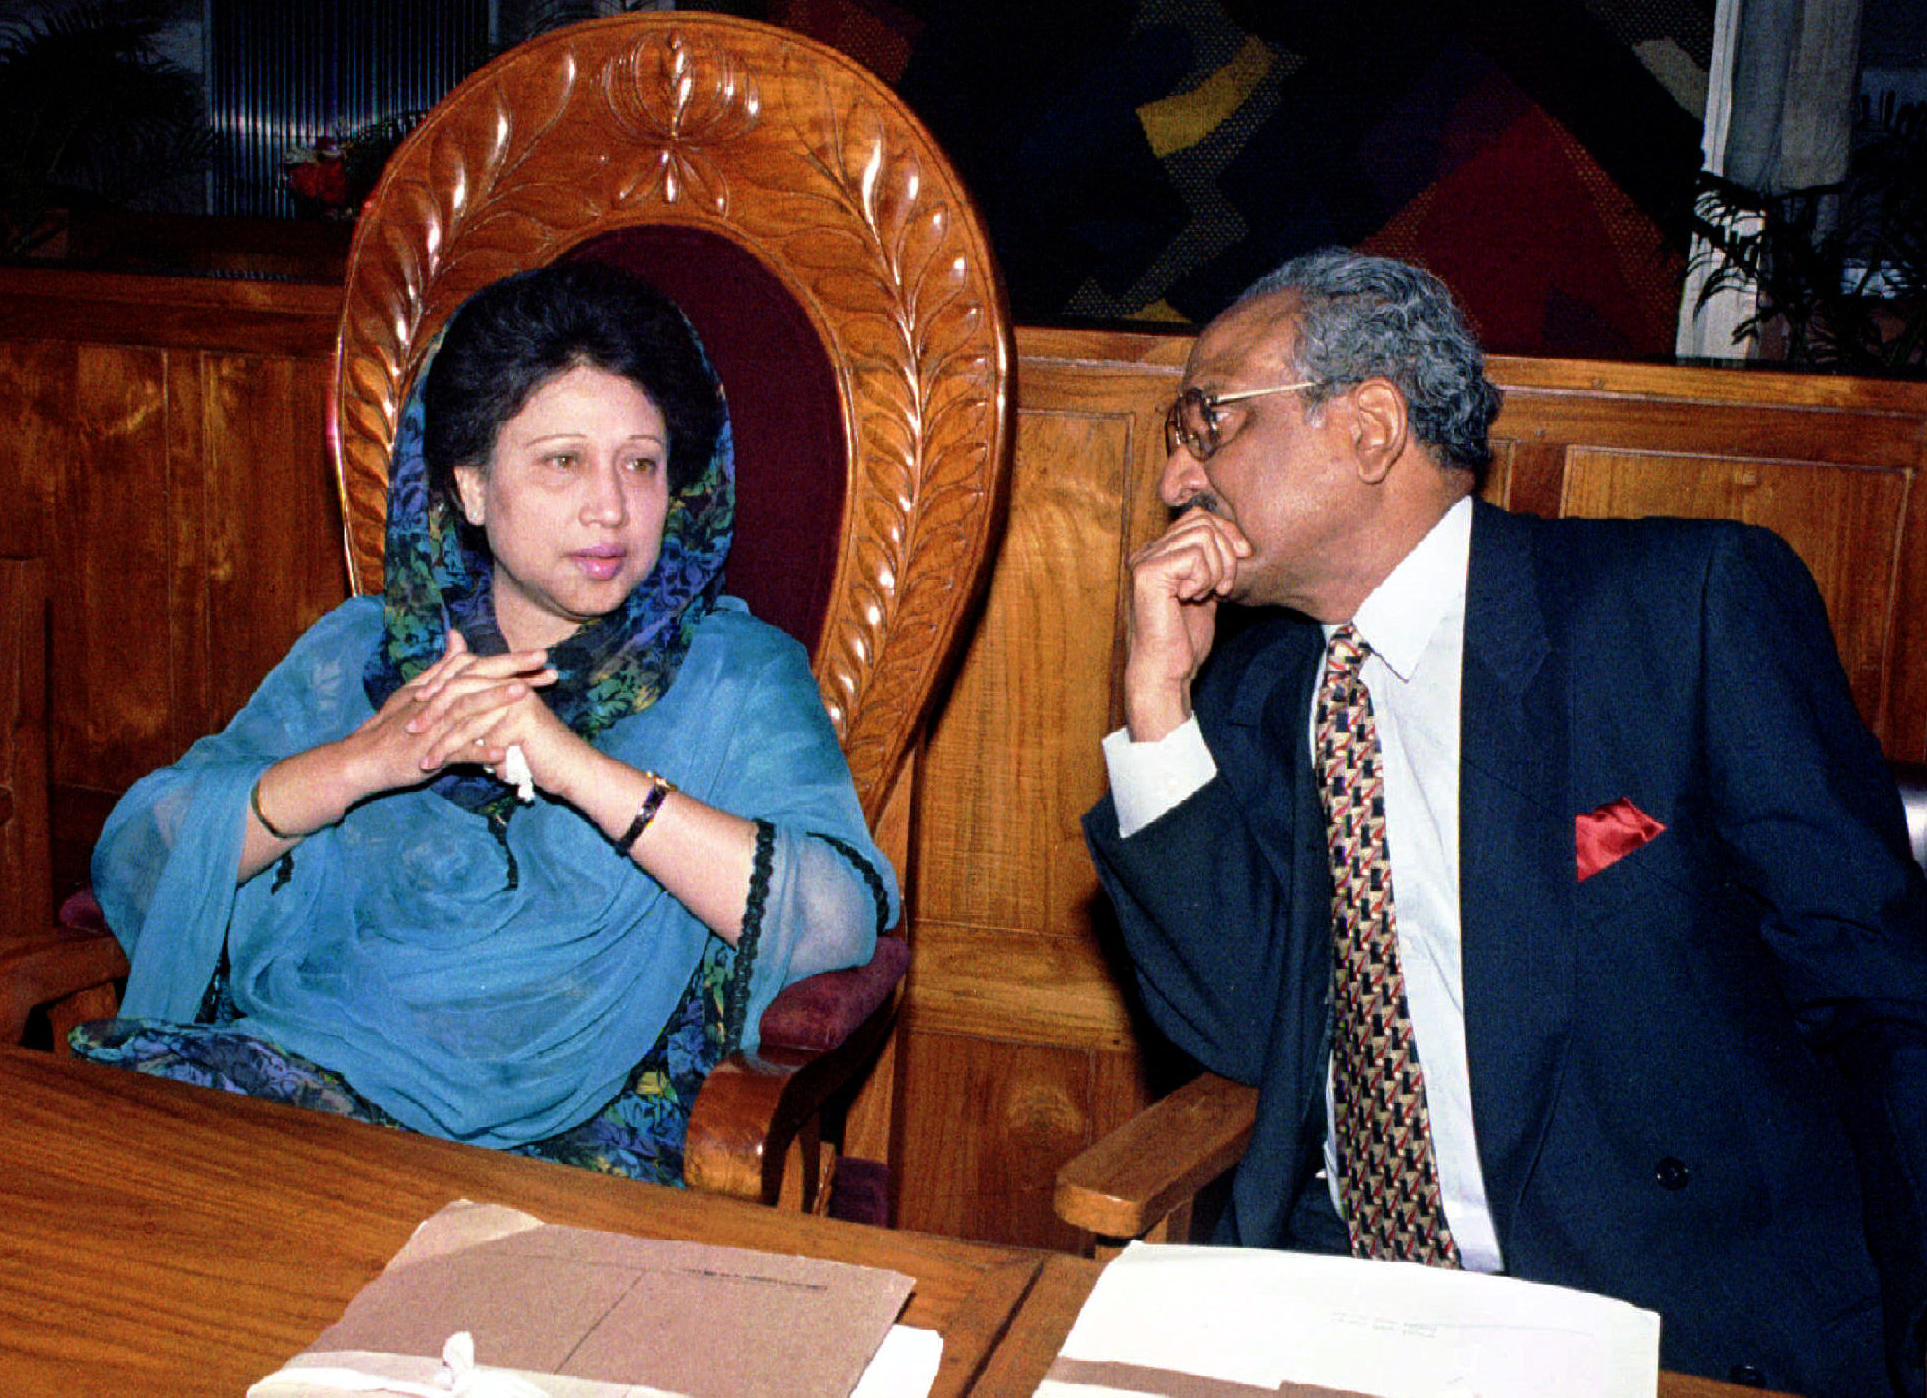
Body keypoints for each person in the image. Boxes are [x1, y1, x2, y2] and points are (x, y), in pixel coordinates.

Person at [1083, 247, 1927, 1396]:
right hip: (1337, 1297)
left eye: (1208, 420)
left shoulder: (1683, 609)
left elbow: (1884, 1007)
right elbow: (1239, 1033)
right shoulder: (1259, 691)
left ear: (1370, 427)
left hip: (1652, 1314)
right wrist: (1156, 708)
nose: (1180, 475)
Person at [75, 260, 896, 1185]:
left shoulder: (738, 676)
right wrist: (357, 764)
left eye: (641, 462)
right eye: (562, 460)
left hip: (585, 1147)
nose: (610, 507)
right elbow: (138, 862)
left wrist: (570, 763)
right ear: (467, 485)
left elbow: (835, 926)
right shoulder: (363, 654)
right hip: (301, 1094)